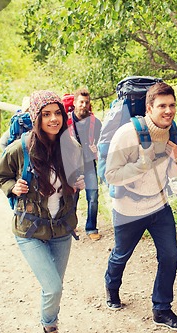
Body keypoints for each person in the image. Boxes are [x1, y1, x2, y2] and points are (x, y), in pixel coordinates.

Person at [0, 90, 85, 333]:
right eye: (46, 114)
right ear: (36, 118)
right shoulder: (20, 148)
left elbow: (74, 179)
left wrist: (77, 182)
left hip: (62, 228)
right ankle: (49, 326)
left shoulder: (71, 146)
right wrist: (13, 187)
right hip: (30, 230)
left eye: (57, 113)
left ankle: (49, 321)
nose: (53, 119)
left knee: (55, 286)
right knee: (53, 288)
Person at [104, 82, 177, 331]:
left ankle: (161, 309)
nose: (168, 111)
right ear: (149, 108)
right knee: (122, 254)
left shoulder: (174, 131)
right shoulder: (126, 134)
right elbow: (111, 175)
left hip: (159, 204)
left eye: (172, 105)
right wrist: (142, 164)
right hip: (129, 209)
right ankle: (112, 286)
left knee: (170, 255)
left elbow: (173, 174)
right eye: (162, 106)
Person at [68, 88, 102, 240]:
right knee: (72, 196)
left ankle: (91, 228)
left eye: (86, 102)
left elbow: (101, 142)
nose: (83, 105)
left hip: (89, 164)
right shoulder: (65, 120)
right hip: (72, 165)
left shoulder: (96, 122)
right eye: (81, 102)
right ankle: (71, 226)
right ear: (75, 103)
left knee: (93, 196)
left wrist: (97, 148)